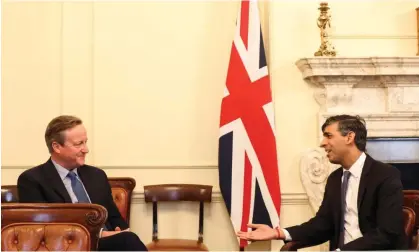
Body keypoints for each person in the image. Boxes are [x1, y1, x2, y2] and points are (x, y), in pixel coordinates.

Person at [237, 115, 407, 250]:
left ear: (349, 137)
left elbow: (387, 233)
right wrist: (278, 233)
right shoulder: (335, 179)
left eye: (328, 136)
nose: (322, 143)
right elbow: (322, 224)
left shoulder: (385, 175)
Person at [18, 115, 147, 251]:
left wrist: (120, 230)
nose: (86, 149)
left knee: (127, 238)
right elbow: (42, 229)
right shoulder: (32, 180)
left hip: (107, 244)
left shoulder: (97, 175)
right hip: (66, 246)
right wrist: (99, 234)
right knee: (128, 240)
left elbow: (114, 216)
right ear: (56, 146)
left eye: (85, 142)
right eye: (78, 144)